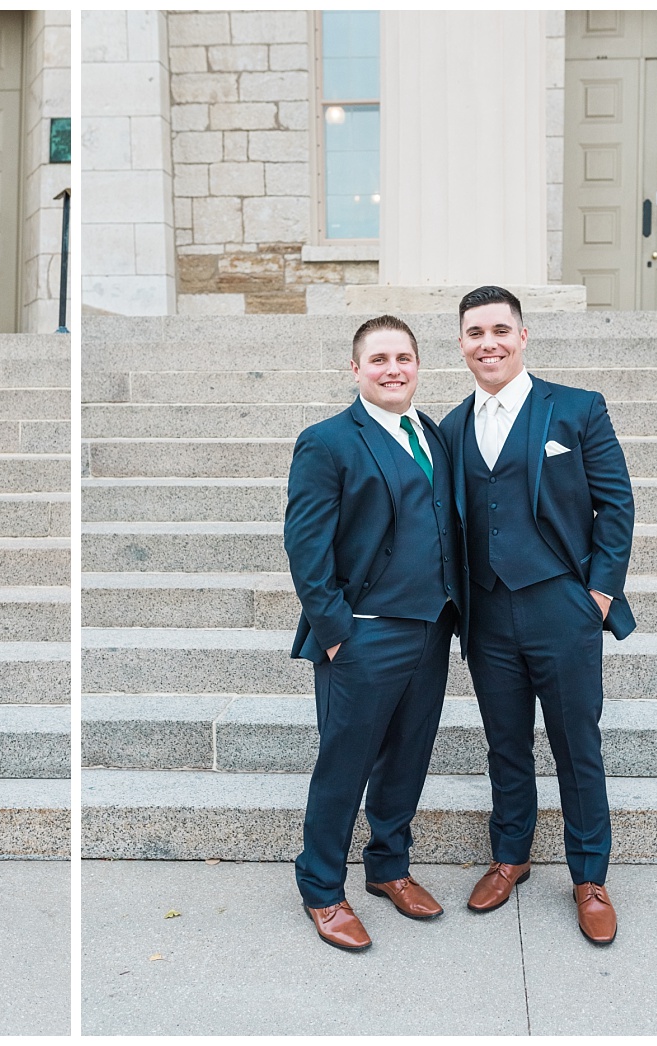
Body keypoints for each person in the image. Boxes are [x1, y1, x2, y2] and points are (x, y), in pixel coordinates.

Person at [439, 285, 635, 946]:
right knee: (505, 744)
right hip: (489, 614)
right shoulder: (449, 428)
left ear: (522, 337)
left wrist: (598, 597)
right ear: (462, 344)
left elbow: (617, 506)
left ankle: (589, 876)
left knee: (578, 746)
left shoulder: (577, 409)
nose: (487, 342)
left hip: (563, 607)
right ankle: (510, 855)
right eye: (474, 333)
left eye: (499, 330)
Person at [284, 315, 461, 951]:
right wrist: (336, 633)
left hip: (432, 628)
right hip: (361, 634)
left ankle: (389, 866)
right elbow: (305, 546)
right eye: (379, 358)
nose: (393, 369)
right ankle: (322, 889)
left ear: (418, 366)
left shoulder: (433, 434)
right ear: (355, 370)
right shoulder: (327, 441)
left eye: (404, 358)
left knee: (408, 756)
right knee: (345, 764)